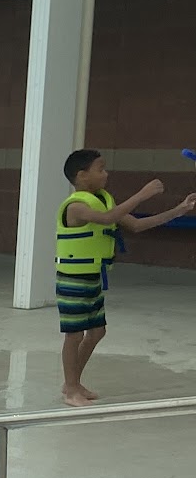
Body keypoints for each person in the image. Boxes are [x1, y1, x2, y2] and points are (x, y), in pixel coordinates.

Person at [57, 149, 196, 405]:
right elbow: (107, 219)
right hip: (73, 278)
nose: (106, 174)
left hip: (93, 277)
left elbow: (137, 225)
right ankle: (71, 389)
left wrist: (179, 209)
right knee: (74, 335)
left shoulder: (104, 200)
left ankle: (72, 382)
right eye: (100, 169)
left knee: (97, 332)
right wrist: (143, 194)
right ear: (82, 175)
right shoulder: (76, 206)